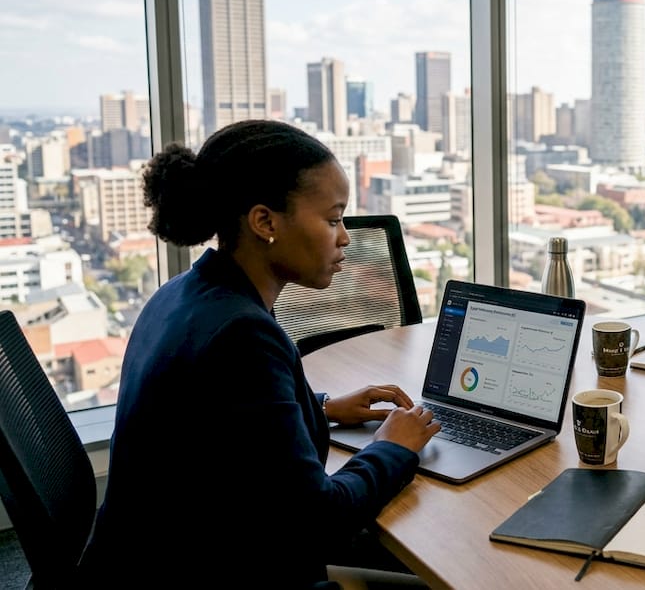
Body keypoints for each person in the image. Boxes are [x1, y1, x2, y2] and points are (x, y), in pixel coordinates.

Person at [79, 120, 439, 588]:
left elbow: (221, 423)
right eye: (332, 220)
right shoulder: (242, 335)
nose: (345, 237)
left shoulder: (181, 294)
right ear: (264, 222)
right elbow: (319, 522)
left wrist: (322, 408)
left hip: (148, 560)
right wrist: (394, 447)